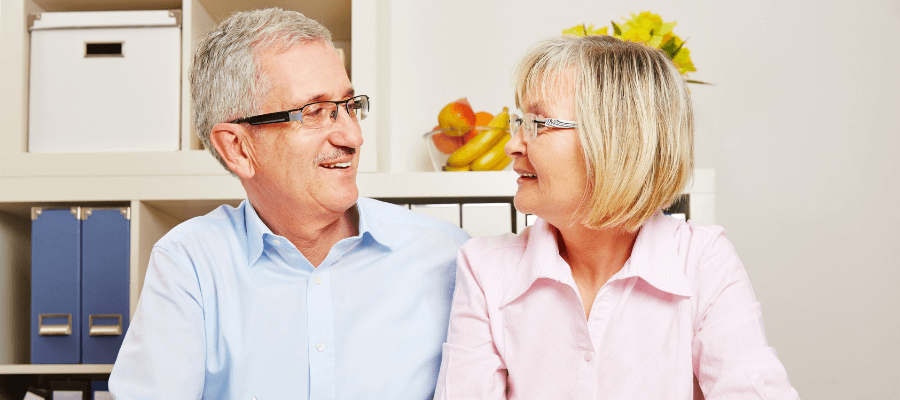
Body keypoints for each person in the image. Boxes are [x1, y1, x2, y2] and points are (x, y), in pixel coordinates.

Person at [109, 8, 469, 399]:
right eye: (315, 112)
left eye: (350, 106)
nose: (352, 136)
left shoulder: (447, 254)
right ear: (238, 148)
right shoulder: (189, 264)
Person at [434, 35, 799, 399]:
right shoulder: (484, 268)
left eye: (538, 123)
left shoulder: (703, 260)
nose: (512, 145)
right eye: (519, 122)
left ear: (614, 139)